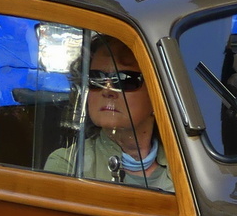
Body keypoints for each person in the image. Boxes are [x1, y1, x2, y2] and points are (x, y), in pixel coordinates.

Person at [46, 37, 173, 191]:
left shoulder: (188, 165)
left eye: (124, 79)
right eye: (96, 78)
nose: (107, 90)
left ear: (158, 93)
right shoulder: (67, 165)